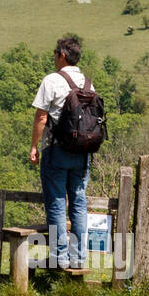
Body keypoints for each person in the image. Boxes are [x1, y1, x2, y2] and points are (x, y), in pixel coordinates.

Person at [28, 35, 93, 269]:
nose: (53, 57)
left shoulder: (52, 80)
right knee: (78, 203)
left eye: (55, 53)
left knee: (56, 203)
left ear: (62, 55)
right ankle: (79, 258)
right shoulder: (87, 83)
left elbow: (41, 117)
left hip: (56, 151)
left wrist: (34, 146)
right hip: (82, 154)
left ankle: (60, 257)